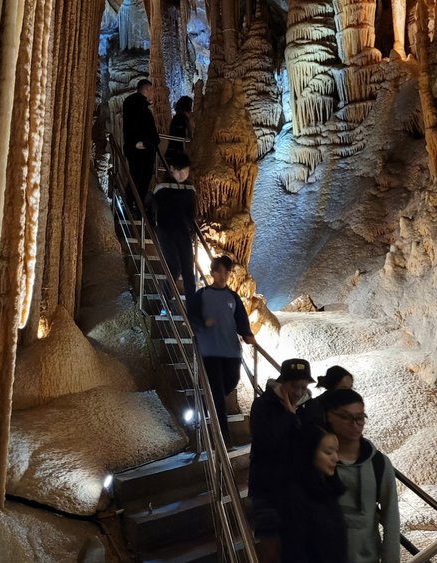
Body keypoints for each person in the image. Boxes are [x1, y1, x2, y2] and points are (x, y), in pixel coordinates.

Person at [247, 358, 314, 563]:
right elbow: (266, 443)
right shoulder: (262, 405)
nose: (298, 392)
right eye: (294, 386)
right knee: (272, 552)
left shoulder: (308, 408)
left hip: (296, 491)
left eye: (303, 387)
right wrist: (289, 416)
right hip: (266, 489)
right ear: (282, 382)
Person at [321, 389, 400, 563]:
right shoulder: (318, 461)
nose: (355, 424)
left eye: (360, 418)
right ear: (329, 416)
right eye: (346, 417)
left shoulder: (378, 463)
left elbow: (391, 517)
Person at [187, 256, 255, 442]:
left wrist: (247, 334)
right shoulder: (201, 295)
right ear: (212, 273)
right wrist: (201, 324)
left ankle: (207, 401)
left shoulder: (232, 296)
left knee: (233, 380)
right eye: (220, 272)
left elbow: (240, 318)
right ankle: (223, 436)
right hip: (209, 351)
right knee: (217, 391)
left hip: (231, 350)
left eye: (227, 272)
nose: (224, 275)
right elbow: (191, 315)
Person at [281, 423, 348, 563]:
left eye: (336, 451)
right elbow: (295, 551)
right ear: (309, 452)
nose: (336, 458)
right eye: (328, 452)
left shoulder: (328, 488)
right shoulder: (295, 496)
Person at [150, 152, 197, 301]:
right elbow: (154, 210)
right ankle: (165, 301)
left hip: (182, 231)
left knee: (188, 271)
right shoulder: (162, 188)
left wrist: (192, 230)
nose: (184, 174)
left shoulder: (190, 190)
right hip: (166, 231)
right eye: (180, 170)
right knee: (174, 267)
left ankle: (192, 307)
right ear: (172, 169)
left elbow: (191, 213)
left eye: (186, 170)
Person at [122, 79, 160, 213]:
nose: (153, 94)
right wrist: (145, 142)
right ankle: (135, 206)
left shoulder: (134, 104)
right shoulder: (138, 106)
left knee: (137, 175)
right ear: (147, 90)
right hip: (140, 149)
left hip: (136, 146)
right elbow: (141, 126)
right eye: (152, 91)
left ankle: (134, 205)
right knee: (140, 176)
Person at [165, 95, 193, 162]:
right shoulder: (181, 119)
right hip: (177, 153)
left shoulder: (177, 117)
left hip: (172, 151)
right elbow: (182, 136)